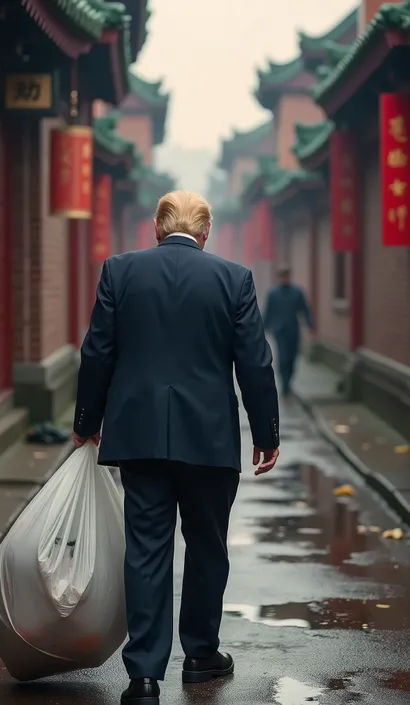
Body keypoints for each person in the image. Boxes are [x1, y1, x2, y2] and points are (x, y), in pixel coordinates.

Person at [72, 190, 280, 705]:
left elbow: (98, 350)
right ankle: (200, 653)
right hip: (209, 439)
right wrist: (266, 433)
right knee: (208, 546)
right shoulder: (234, 279)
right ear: (206, 233)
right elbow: (254, 361)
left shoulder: (120, 272)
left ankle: (142, 676)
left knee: (146, 550)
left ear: (155, 228)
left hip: (139, 435)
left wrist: (86, 420)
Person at [263, 265, 314, 398]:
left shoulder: (297, 292)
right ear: (279, 277)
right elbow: (268, 312)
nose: (285, 278)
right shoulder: (273, 293)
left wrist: (310, 326)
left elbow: (304, 310)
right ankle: (284, 385)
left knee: (292, 358)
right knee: (283, 357)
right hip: (279, 331)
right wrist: (262, 329)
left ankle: (289, 381)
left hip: (293, 330)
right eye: (282, 275)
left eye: (287, 275)